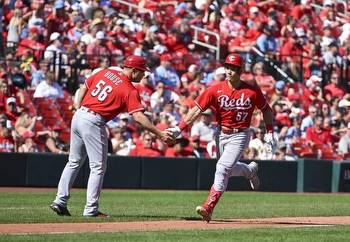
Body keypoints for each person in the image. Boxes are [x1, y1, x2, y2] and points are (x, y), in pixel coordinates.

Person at [50, 55, 175, 217]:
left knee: (73, 162)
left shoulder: (106, 72)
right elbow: (138, 117)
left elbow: (83, 87)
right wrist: (159, 133)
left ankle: (60, 201)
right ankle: (91, 209)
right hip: (94, 120)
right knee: (98, 167)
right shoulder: (129, 89)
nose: (143, 75)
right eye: (142, 72)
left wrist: (77, 106)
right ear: (134, 70)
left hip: (79, 115)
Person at [167, 53, 276, 222]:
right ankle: (250, 171)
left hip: (240, 134)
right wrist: (179, 128)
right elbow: (196, 109)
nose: (229, 71)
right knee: (228, 169)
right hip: (221, 134)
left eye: (233, 68)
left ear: (240, 70)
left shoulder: (251, 90)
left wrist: (269, 132)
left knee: (222, 168)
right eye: (228, 67)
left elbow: (266, 110)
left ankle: (209, 207)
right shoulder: (214, 89)